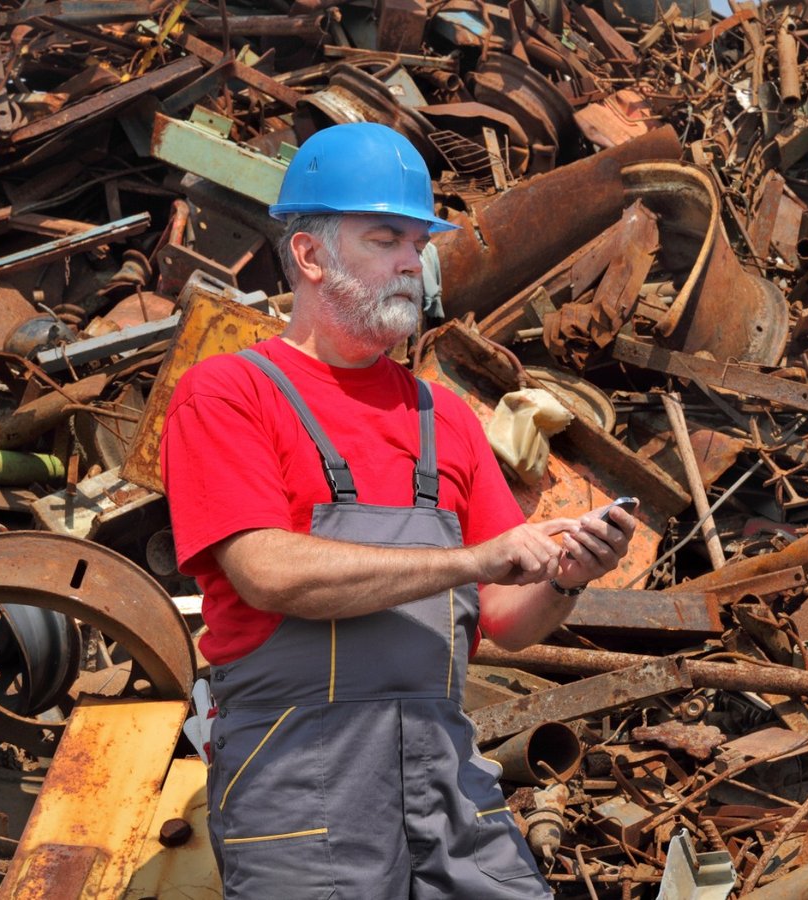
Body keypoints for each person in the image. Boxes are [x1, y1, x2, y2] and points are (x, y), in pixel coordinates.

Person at [160, 122, 635, 899]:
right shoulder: (229, 394)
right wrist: (472, 559)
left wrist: (566, 575)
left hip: (444, 771)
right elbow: (267, 572)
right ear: (310, 255)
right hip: (300, 783)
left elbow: (506, 621)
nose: (413, 262)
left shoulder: (441, 418)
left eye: (418, 242)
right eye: (385, 239)